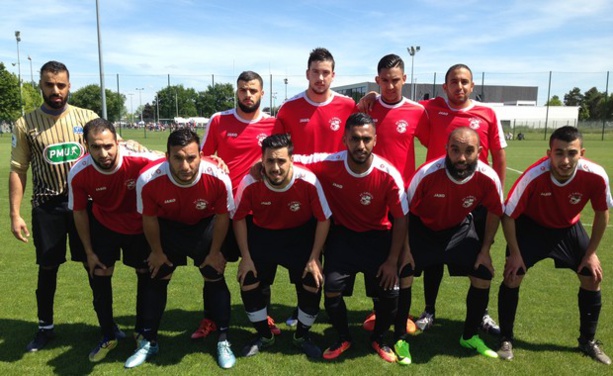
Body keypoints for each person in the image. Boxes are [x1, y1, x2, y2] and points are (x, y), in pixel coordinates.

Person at [295, 112, 408, 363]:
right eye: (355, 139)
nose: (361, 145)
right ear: (344, 139)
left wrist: (392, 260)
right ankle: (343, 336)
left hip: (378, 237)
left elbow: (401, 218)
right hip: (343, 238)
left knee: (390, 292)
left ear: (375, 140)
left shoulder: (388, 174)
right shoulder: (328, 163)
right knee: (332, 289)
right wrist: (261, 163)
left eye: (366, 139)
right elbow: (292, 159)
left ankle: (380, 338)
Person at [497, 126, 612, 364]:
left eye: (572, 153)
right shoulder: (533, 176)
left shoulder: (596, 175)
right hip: (531, 227)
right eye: (559, 153)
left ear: (582, 152)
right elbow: (508, 215)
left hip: (568, 228)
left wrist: (590, 253)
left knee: (592, 276)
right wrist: (516, 254)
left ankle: (587, 341)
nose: (565, 160)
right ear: (549, 153)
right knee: (512, 275)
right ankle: (505, 338)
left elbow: (602, 213)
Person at [9, 61, 100, 352]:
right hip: (47, 206)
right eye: (50, 84)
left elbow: (108, 155)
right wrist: (14, 214)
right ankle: (45, 328)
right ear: (41, 85)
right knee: (48, 267)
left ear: (69, 85)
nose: (56, 90)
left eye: (61, 84)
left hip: (85, 205)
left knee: (94, 264)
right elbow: (18, 169)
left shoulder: (87, 117)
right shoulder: (26, 123)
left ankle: (107, 326)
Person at [126, 128, 235, 369]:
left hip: (204, 226)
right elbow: (149, 219)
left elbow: (222, 217)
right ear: (167, 156)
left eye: (191, 157)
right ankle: (149, 340)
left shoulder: (217, 176)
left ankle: (223, 339)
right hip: (167, 227)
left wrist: (215, 252)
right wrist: (156, 252)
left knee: (214, 274)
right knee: (158, 276)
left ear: (202, 155)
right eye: (178, 158)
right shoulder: (148, 178)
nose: (185, 165)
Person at [403, 126, 504, 361]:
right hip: (422, 229)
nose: (461, 158)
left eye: (469, 151)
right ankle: (400, 337)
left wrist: (485, 250)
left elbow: (495, 211)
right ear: (446, 149)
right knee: (404, 270)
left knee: (482, 273)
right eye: (455, 150)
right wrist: (405, 250)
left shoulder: (488, 177)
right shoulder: (427, 173)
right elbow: (404, 213)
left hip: (459, 229)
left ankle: (469, 336)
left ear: (479, 151)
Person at [195, 70, 280, 339]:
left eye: (253, 90)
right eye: (243, 90)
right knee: (213, 266)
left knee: (259, 269)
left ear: (262, 93)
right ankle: (211, 319)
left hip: (257, 211)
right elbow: (201, 157)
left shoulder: (274, 124)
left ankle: (263, 315)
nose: (247, 95)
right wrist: (212, 161)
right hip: (222, 210)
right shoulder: (219, 120)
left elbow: (285, 159)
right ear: (237, 91)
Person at [67, 119, 160, 362]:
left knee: (146, 274)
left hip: (139, 227)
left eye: (109, 145)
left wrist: (215, 161)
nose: (104, 153)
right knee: (99, 274)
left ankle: (142, 332)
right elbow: (78, 212)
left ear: (117, 141)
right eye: (96, 147)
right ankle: (108, 334)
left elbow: (174, 159)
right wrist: (88, 251)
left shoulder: (139, 158)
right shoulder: (78, 172)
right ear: (85, 145)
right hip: (104, 226)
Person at [233, 134, 331, 359]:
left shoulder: (308, 180)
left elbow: (324, 218)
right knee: (249, 279)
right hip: (264, 236)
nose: (275, 168)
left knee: (311, 280)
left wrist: (315, 257)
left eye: (281, 161)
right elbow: (238, 218)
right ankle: (264, 335)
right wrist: (245, 256)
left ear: (291, 160)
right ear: (262, 161)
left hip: (300, 237)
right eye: (269, 161)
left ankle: (302, 336)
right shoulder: (250, 182)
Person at [359, 53, 429, 337]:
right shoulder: (367, 108)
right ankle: (380, 308)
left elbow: (433, 146)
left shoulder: (416, 111)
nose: (390, 86)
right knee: (379, 253)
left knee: (404, 254)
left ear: (405, 79)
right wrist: (368, 97)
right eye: (384, 81)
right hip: (372, 193)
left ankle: (404, 312)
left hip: (403, 195)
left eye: (395, 81)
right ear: (377, 80)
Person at [273, 47, 356, 155]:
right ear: (307, 74)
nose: (320, 78)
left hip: (337, 172)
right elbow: (276, 148)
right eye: (315, 72)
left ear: (333, 76)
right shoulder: (288, 108)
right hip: (301, 171)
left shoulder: (349, 106)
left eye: (325, 72)